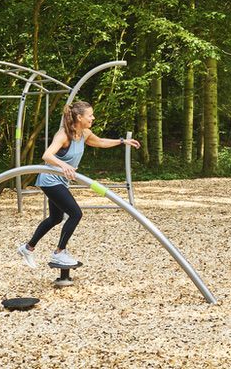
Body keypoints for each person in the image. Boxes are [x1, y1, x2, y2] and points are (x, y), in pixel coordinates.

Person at [16, 101, 141, 268]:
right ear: (79, 117)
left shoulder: (84, 133)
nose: (93, 118)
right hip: (50, 180)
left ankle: (28, 248)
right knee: (75, 213)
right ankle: (60, 253)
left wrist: (122, 141)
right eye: (90, 115)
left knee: (56, 218)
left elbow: (101, 142)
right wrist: (64, 165)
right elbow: (47, 155)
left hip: (60, 181)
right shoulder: (64, 134)